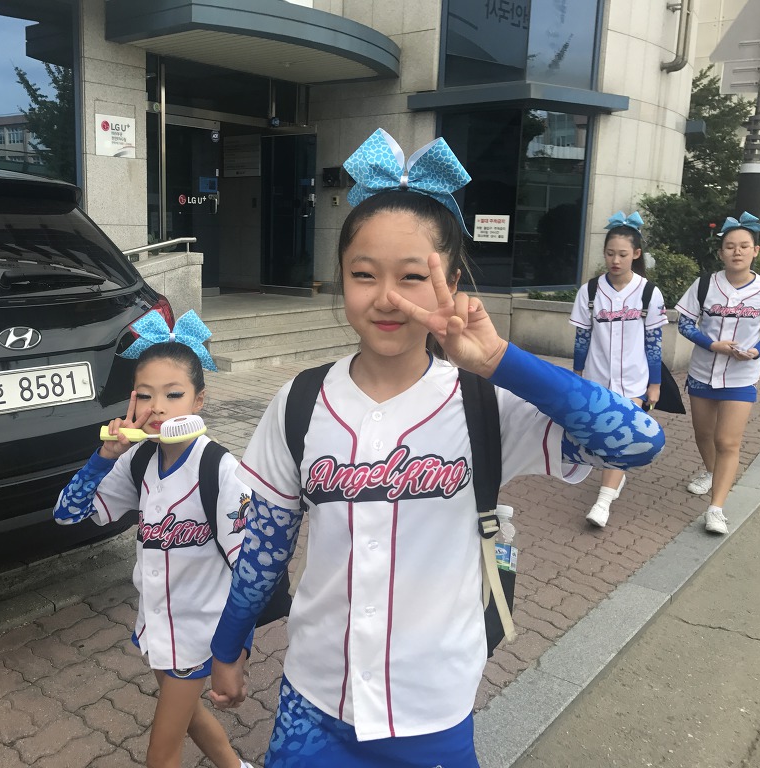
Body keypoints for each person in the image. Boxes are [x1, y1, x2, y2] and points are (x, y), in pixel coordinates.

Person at [206, 128, 666, 767]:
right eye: (363, 275)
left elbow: (639, 442)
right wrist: (229, 645)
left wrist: (502, 361)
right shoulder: (301, 401)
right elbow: (266, 541)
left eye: (413, 277)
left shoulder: (485, 402)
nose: (386, 298)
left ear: (451, 279)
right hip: (314, 702)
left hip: (433, 712)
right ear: (340, 280)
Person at [52, 310, 256, 768]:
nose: (158, 407)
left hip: (201, 633)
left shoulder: (221, 470)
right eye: (145, 395)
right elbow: (68, 514)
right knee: (188, 716)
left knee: (160, 755)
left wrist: (235, 650)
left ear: (199, 400)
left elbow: (251, 571)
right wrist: (105, 455)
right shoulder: (137, 461)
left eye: (173, 394)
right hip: (155, 626)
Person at [675, 212, 760, 535]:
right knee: (703, 434)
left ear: (756, 251)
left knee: (727, 440)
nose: (737, 251)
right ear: (721, 252)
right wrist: (712, 344)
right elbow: (685, 323)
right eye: (730, 246)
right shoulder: (704, 285)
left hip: (742, 375)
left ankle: (716, 509)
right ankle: (712, 472)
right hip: (702, 372)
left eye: (744, 246)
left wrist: (758, 350)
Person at [569, 211, 668, 527]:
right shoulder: (590, 291)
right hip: (597, 378)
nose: (615, 260)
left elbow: (654, 342)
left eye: (623, 254)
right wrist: (577, 374)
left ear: (636, 254)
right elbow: (582, 337)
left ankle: (602, 502)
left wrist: (655, 384)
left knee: (617, 436)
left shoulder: (648, 293)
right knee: (601, 437)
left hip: (634, 380)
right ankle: (616, 477)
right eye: (610, 253)